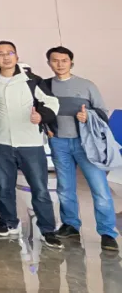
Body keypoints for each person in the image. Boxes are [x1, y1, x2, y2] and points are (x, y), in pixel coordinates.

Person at [0, 42, 62, 248]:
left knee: (40, 188)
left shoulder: (32, 80)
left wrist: (42, 116)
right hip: (1, 141)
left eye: (9, 53)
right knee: (4, 187)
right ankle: (9, 222)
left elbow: (52, 102)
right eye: (0, 54)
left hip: (30, 143)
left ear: (16, 56)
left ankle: (47, 229)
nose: (5, 57)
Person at [45, 46, 118, 251]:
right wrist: (46, 127)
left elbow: (103, 112)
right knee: (65, 188)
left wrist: (89, 116)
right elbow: (41, 111)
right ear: (49, 63)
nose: (60, 64)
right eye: (55, 60)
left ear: (72, 63)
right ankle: (70, 225)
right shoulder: (45, 86)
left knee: (99, 188)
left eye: (64, 60)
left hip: (86, 144)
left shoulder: (87, 85)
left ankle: (107, 232)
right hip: (59, 143)